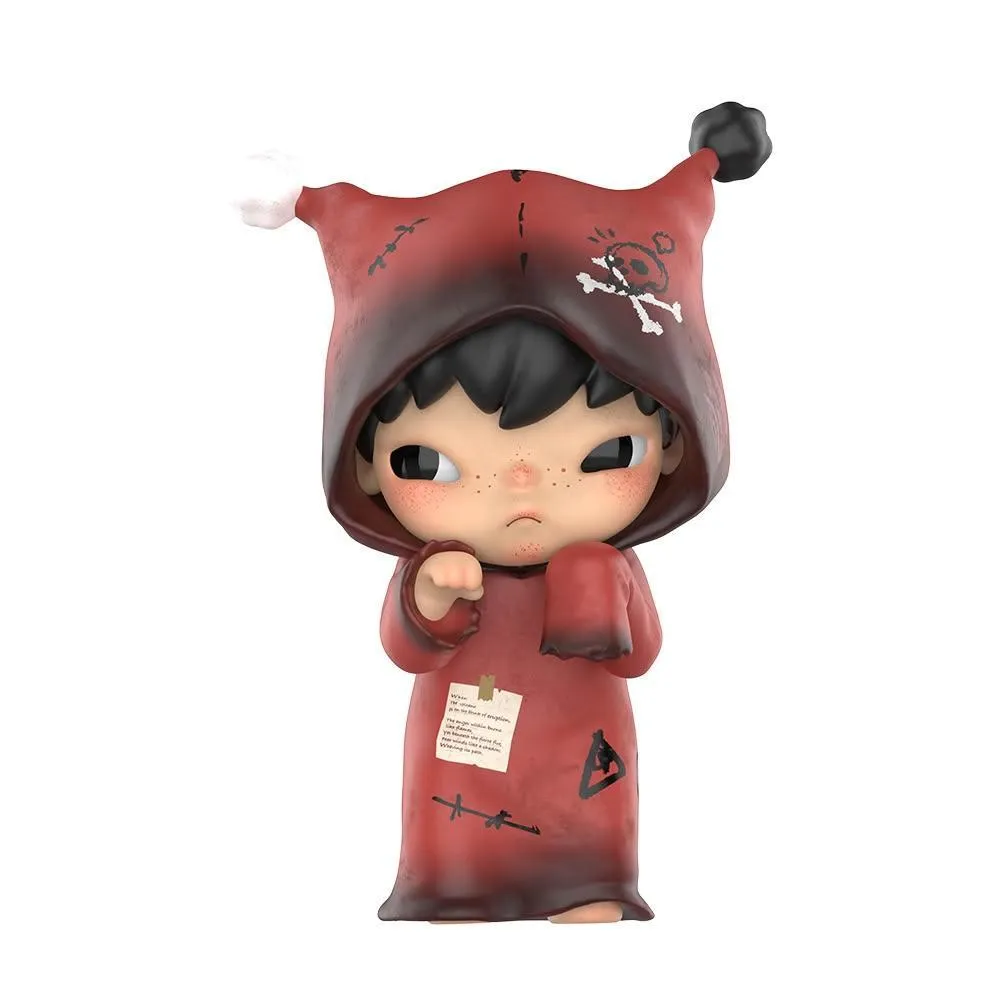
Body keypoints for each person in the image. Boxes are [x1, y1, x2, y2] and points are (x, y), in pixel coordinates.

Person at [236, 101, 772, 922]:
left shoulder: (609, 563)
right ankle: (453, 885)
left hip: (585, 762)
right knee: (456, 872)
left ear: (671, 442)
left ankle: (589, 885)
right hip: (457, 774)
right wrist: (427, 599)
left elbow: (640, 656)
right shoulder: (436, 563)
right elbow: (406, 648)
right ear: (365, 462)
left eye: (604, 454)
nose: (523, 488)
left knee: (588, 863)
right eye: (430, 463)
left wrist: (607, 600)